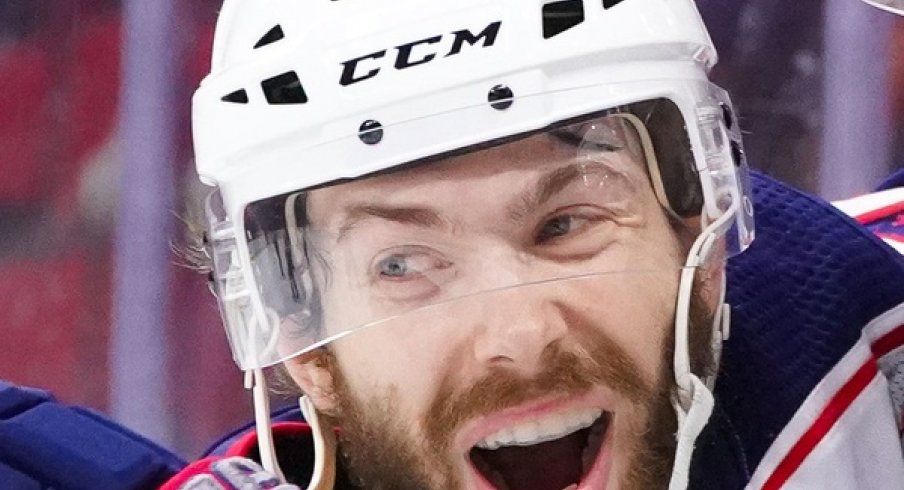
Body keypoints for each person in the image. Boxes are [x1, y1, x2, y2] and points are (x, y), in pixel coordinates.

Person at [1, 1, 902, 489]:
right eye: (402, 265)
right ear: (301, 346)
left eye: (566, 225)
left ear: (702, 249)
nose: (517, 336)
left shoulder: (861, 334)